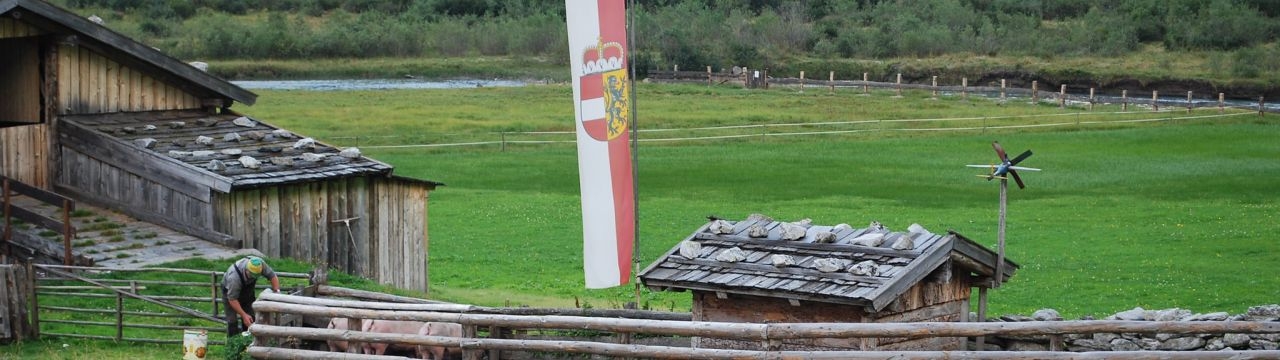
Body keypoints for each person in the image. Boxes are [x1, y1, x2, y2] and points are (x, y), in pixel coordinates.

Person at [222, 256, 280, 336]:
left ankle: (249, 341)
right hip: (230, 293)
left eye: (257, 276)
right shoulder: (234, 278)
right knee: (232, 320)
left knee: (251, 317)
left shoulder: (260, 264)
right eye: (252, 276)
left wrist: (277, 293)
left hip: (247, 292)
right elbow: (232, 299)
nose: (254, 278)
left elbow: (273, 276)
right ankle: (233, 343)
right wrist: (243, 314)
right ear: (247, 270)